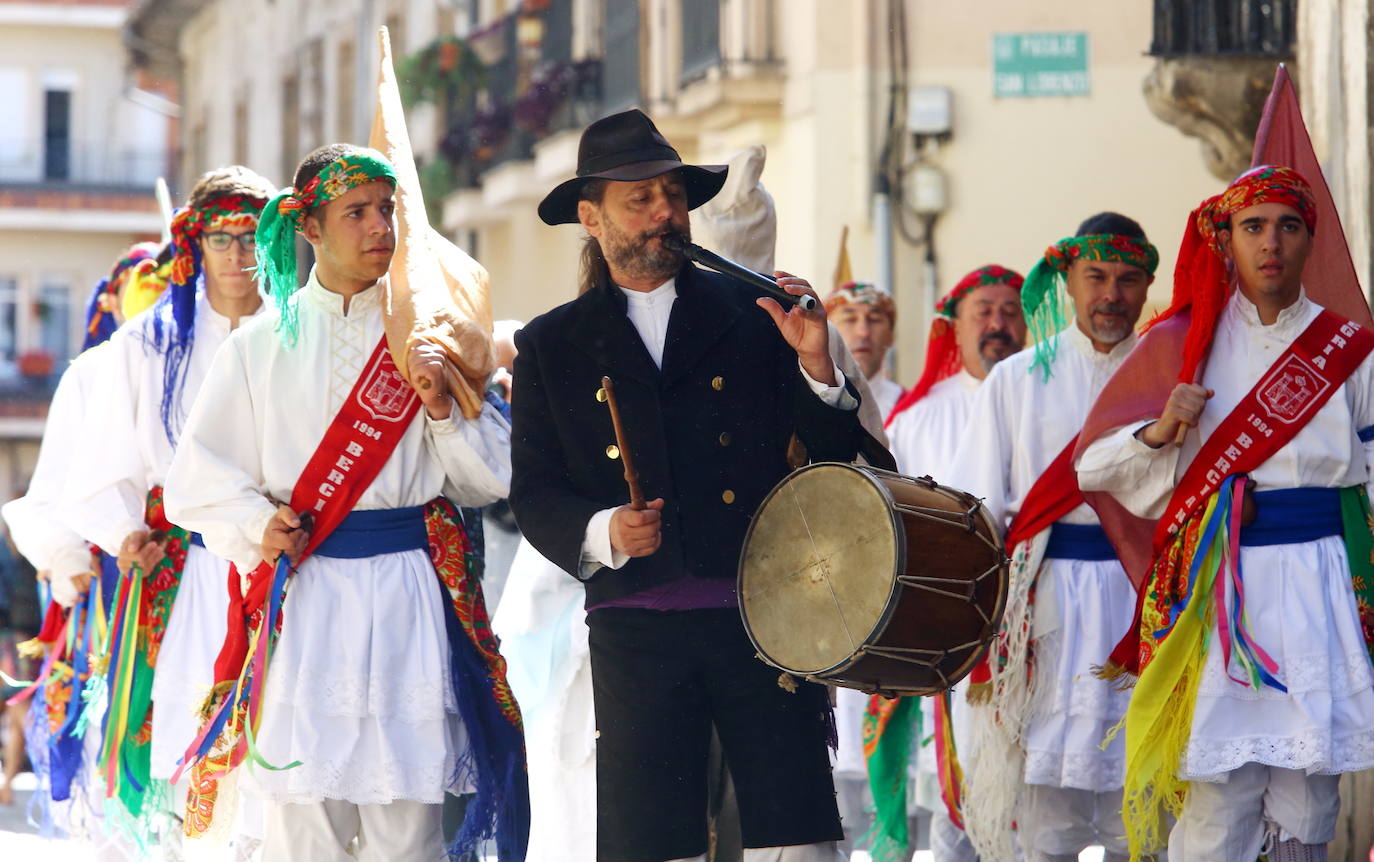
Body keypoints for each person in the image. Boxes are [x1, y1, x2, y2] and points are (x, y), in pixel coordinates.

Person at [510, 108, 869, 862]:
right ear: (590, 216)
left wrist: (816, 365)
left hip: (767, 620)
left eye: (672, 193)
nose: (664, 212)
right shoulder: (550, 344)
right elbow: (536, 491)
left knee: (794, 839)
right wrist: (604, 530)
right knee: (653, 842)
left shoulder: (755, 315)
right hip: (635, 632)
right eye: (639, 198)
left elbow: (843, 454)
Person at [164, 143, 522, 862]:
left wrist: (442, 411)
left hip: (406, 599)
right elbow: (194, 478)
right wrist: (256, 523)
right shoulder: (258, 348)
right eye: (356, 212)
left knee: (406, 829)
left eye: (386, 210)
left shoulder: (431, 344)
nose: (378, 227)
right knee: (306, 827)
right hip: (310, 599)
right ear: (311, 228)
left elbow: (493, 480)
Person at [1076, 165, 1374, 862]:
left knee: (1310, 793)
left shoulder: (1350, 348)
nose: (1271, 242)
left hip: (1324, 580)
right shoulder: (1185, 341)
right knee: (1219, 791)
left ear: (1309, 240)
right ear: (1226, 239)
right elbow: (1092, 469)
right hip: (1221, 584)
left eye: (1288, 226)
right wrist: (1159, 431)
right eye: (1253, 226)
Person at [58, 167, 274, 851]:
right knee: (185, 745)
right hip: (188, 578)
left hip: (279, 570)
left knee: (275, 759)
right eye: (223, 240)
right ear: (195, 246)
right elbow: (99, 460)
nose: (240, 258)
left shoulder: (297, 333)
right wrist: (122, 532)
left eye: (252, 239)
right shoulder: (148, 344)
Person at [950, 215, 1160, 862]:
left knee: (1146, 810)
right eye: (1095, 276)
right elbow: (977, 505)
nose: (1111, 295)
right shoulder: (1017, 380)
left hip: (1145, 601)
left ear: (1149, 285)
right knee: (1046, 821)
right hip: (1045, 609)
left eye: (1128, 280)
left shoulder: (1170, 372)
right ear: (1067, 279)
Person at [865, 264, 1026, 862]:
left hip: (1040, 614)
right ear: (954, 328)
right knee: (953, 795)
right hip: (951, 625)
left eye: (1010, 311)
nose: (998, 324)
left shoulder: (1039, 392)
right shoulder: (917, 417)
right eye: (983, 311)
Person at [825, 281, 904, 417]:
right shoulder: (801, 405)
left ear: (890, 335)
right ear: (824, 333)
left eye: (874, 319)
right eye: (850, 319)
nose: (863, 332)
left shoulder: (914, 409)